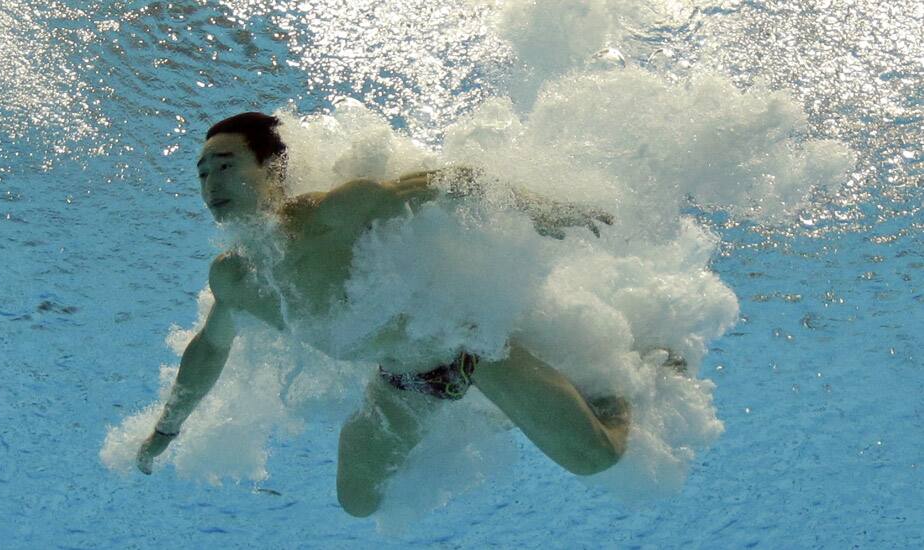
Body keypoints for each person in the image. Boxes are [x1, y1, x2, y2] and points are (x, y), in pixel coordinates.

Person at [136, 112, 630, 517]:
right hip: (402, 383)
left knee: (596, 459)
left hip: (471, 351)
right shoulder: (234, 279)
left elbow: (449, 182)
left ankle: (632, 382)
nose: (210, 185)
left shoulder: (335, 213)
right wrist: (166, 429)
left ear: (274, 171)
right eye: (201, 174)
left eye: (224, 166)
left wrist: (540, 209)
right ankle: (495, 416)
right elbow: (209, 350)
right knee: (358, 503)